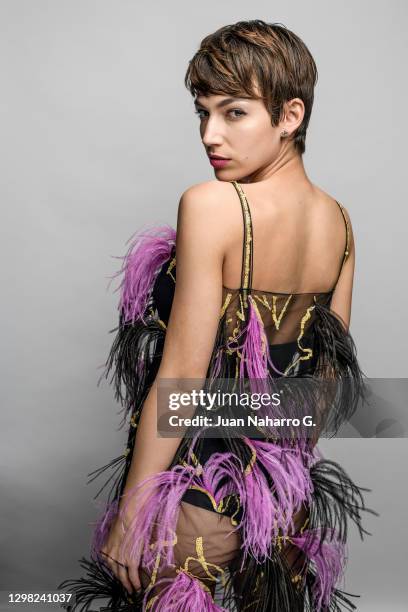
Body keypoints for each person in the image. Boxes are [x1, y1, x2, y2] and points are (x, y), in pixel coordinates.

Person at [58, 19, 378, 611]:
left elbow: (180, 377)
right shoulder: (341, 222)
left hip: (194, 492)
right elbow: (324, 392)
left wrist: (132, 510)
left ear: (291, 115)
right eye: (202, 113)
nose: (210, 134)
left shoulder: (211, 206)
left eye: (234, 113)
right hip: (285, 502)